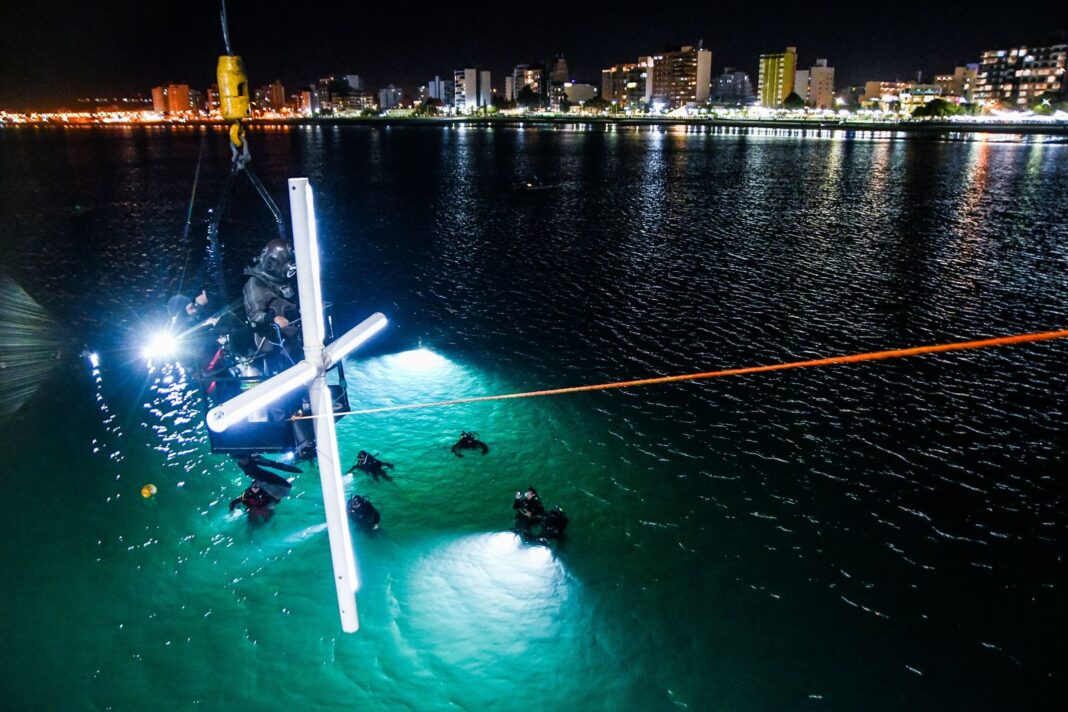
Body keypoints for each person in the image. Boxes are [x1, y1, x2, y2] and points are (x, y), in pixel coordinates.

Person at [242, 239, 299, 369]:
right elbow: (254, 314)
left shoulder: (284, 281)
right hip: (272, 341)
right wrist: (273, 318)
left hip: (292, 335)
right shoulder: (256, 284)